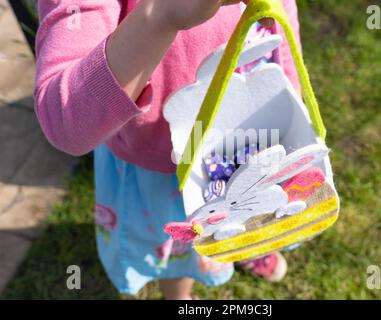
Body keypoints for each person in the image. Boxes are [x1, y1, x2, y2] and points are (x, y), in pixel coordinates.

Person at [34, 0, 301, 299]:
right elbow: (66, 124)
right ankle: (178, 295)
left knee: (245, 212)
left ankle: (243, 244)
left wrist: (291, 98)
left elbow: (280, 14)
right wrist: (158, 16)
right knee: (181, 248)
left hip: (247, 142)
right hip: (160, 163)